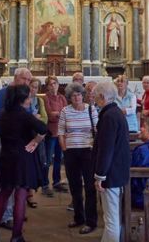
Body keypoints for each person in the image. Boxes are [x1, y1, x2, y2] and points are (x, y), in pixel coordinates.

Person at [0, 85, 48, 242]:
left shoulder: (4, 113)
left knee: (4, 194)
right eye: (27, 97)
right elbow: (43, 128)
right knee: (20, 196)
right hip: (22, 159)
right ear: (22, 99)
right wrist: (35, 140)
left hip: (7, 157)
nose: (29, 99)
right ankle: (16, 236)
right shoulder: (24, 115)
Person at [0, 68, 33, 229]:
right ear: (16, 78)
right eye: (24, 79)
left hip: (20, 143)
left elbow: (27, 114)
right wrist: (12, 128)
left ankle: (16, 212)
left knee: (19, 180)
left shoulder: (24, 94)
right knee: (7, 181)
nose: (27, 83)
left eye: (29, 80)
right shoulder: (4, 93)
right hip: (4, 140)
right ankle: (5, 216)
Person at [92, 81, 131, 242]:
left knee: (111, 219)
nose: (94, 100)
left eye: (95, 97)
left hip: (110, 173)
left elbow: (106, 149)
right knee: (113, 218)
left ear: (102, 97)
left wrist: (100, 175)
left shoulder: (108, 116)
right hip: (117, 171)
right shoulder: (115, 113)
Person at [59, 83, 98, 234]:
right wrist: (64, 149)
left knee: (89, 187)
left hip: (87, 151)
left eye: (79, 95)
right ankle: (78, 217)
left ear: (83, 96)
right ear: (70, 97)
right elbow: (61, 131)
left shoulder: (91, 109)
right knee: (75, 186)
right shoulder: (65, 111)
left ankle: (91, 221)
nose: (76, 97)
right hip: (71, 152)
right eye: (73, 95)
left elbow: (97, 129)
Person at [42, 75, 69, 197]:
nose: (53, 86)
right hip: (51, 132)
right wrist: (58, 114)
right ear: (47, 87)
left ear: (58, 84)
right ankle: (44, 184)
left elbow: (66, 113)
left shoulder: (62, 98)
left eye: (55, 83)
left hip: (61, 132)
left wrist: (57, 114)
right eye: (50, 84)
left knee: (58, 158)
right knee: (48, 159)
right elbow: (49, 115)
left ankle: (57, 181)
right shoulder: (45, 98)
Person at [27, 78, 48, 208]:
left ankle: (32, 191)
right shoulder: (22, 99)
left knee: (38, 163)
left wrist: (37, 119)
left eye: (36, 87)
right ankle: (28, 194)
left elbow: (45, 118)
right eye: (32, 86)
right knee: (28, 165)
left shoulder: (39, 100)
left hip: (37, 136)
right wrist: (34, 118)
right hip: (26, 136)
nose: (33, 89)